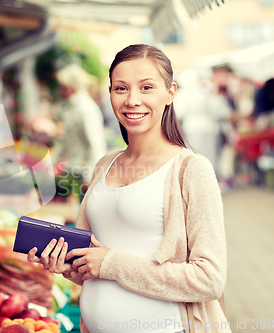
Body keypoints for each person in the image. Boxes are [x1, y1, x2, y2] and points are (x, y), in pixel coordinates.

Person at [28, 44, 228, 333]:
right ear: (109, 94)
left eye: (146, 87)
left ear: (170, 93)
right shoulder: (104, 164)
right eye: (121, 88)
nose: (132, 100)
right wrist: (63, 264)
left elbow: (209, 279)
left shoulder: (191, 170)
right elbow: (92, 263)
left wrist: (111, 263)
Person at [52, 64, 107, 183]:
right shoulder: (71, 108)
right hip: (72, 169)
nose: (60, 90)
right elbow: (64, 140)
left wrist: (89, 177)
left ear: (72, 87)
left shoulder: (85, 109)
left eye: (63, 87)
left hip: (81, 173)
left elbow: (95, 144)